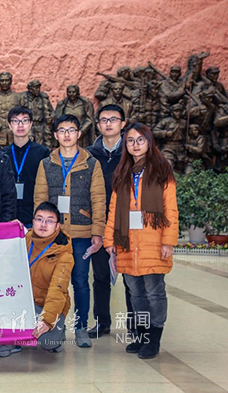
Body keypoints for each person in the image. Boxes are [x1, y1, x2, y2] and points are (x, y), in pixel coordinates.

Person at [104, 123, 178, 359]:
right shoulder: (122, 172)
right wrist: (109, 240)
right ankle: (142, 335)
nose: (135, 145)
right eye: (130, 141)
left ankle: (154, 338)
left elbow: (170, 209)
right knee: (136, 294)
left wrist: (168, 241)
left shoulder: (162, 170)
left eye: (140, 140)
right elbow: (113, 210)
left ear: (149, 142)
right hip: (127, 243)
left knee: (154, 293)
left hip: (153, 243)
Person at [34, 114, 106, 348]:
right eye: (62, 130)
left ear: (79, 133)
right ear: (56, 135)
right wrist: (41, 230)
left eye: (71, 130)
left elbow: (98, 198)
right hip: (54, 236)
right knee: (55, 283)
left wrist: (98, 231)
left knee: (80, 282)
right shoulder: (46, 163)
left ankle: (81, 327)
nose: (67, 135)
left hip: (82, 234)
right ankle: (58, 327)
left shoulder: (91, 163)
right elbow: (40, 199)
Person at [0, 202, 73, 357]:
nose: (43, 224)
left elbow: (57, 291)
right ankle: (14, 340)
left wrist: (47, 321)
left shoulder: (64, 255)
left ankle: (58, 331)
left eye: (49, 221)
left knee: (48, 342)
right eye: (39, 219)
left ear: (57, 226)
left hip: (44, 304)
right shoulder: (24, 238)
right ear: (33, 221)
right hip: (21, 302)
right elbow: (0, 252)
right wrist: (9, 230)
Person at [86, 104, 134, 338]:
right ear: (98, 125)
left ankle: (134, 324)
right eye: (104, 120)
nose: (108, 124)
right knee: (101, 276)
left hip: (127, 222)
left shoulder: (132, 152)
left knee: (131, 276)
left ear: (123, 124)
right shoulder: (89, 154)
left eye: (113, 119)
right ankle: (102, 321)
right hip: (100, 222)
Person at [4, 106, 50, 227]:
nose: (20, 125)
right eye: (15, 121)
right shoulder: (3, 154)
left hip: (34, 216)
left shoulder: (42, 152)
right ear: (9, 125)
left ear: (30, 124)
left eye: (24, 120)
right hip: (9, 217)